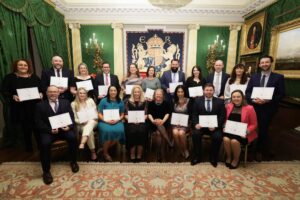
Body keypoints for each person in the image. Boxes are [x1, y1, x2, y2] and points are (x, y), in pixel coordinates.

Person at [35, 85, 79, 185]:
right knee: (44, 143)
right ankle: (46, 171)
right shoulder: (40, 105)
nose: (52, 94)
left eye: (55, 92)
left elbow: (71, 117)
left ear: (59, 93)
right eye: (50, 92)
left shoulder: (66, 103)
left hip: (64, 130)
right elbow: (38, 122)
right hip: (49, 132)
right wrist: (49, 130)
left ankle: (73, 162)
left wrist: (69, 126)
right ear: (46, 93)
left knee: (72, 138)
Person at [245, 55, 285, 161]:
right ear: (259, 65)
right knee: (250, 127)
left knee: (263, 129)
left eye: (266, 62)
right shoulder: (254, 77)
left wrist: (267, 100)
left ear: (271, 63)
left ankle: (259, 151)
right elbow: (248, 92)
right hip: (254, 107)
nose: (264, 64)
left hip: (268, 109)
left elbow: (281, 94)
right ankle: (248, 147)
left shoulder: (278, 77)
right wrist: (253, 100)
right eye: (262, 63)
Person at [2, 59, 43, 151]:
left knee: (37, 126)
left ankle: (41, 145)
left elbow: (41, 89)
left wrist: (41, 93)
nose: (23, 67)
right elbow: (4, 91)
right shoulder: (10, 77)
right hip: (20, 107)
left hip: (34, 106)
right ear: (16, 66)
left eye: (25, 65)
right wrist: (13, 96)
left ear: (28, 67)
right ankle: (28, 147)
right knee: (25, 128)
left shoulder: (34, 77)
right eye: (20, 65)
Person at [191, 83, 226, 167]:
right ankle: (197, 156)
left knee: (217, 137)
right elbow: (194, 114)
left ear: (213, 91)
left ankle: (213, 157)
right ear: (203, 91)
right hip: (201, 126)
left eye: (210, 90)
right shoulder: (197, 100)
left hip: (214, 126)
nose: (209, 92)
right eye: (207, 90)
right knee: (195, 134)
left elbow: (222, 116)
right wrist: (196, 124)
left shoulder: (220, 102)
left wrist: (216, 126)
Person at [223, 90, 258, 169]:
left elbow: (254, 124)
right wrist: (224, 126)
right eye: (234, 97)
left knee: (234, 141)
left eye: (238, 96)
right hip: (230, 130)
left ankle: (236, 159)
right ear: (231, 98)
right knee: (225, 139)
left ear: (242, 97)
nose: (236, 98)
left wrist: (247, 131)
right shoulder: (228, 106)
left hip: (243, 132)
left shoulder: (250, 108)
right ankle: (229, 157)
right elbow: (225, 120)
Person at [98, 85, 125, 162]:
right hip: (104, 121)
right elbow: (99, 113)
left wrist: (118, 120)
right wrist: (105, 120)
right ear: (108, 92)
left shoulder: (120, 101)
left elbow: (122, 114)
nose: (113, 92)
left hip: (117, 121)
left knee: (120, 131)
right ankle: (105, 153)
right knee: (107, 131)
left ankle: (103, 149)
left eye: (114, 90)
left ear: (117, 92)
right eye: (111, 90)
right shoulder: (103, 100)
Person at [71, 88, 98, 161]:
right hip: (81, 124)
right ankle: (93, 152)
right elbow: (74, 118)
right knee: (90, 132)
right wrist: (81, 121)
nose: (82, 94)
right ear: (77, 94)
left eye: (84, 93)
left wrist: (94, 117)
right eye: (80, 93)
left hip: (93, 121)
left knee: (91, 122)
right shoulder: (73, 104)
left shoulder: (90, 101)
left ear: (86, 94)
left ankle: (82, 143)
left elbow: (95, 112)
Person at [148, 89, 172, 162]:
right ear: (154, 95)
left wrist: (162, 121)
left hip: (164, 122)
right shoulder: (151, 103)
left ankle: (158, 153)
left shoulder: (166, 103)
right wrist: (153, 121)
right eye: (157, 94)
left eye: (160, 94)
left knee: (159, 133)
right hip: (153, 123)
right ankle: (169, 142)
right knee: (158, 127)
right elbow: (149, 114)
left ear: (163, 95)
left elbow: (167, 114)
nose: (158, 95)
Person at [125, 85, 148, 162]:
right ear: (132, 92)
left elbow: (146, 114)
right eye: (135, 92)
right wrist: (132, 120)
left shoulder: (145, 101)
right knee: (132, 132)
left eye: (138, 92)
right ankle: (132, 153)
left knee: (142, 131)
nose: (137, 93)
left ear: (141, 92)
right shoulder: (128, 101)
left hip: (142, 121)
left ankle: (139, 153)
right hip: (131, 121)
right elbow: (125, 115)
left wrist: (140, 120)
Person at [171, 85, 192, 159]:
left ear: (184, 92)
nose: (180, 93)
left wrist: (185, 123)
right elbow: (171, 113)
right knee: (175, 132)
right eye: (178, 92)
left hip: (186, 122)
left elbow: (191, 114)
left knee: (181, 133)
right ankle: (180, 149)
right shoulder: (173, 101)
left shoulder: (189, 101)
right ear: (176, 93)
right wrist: (175, 122)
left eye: (182, 92)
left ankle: (185, 150)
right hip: (175, 122)